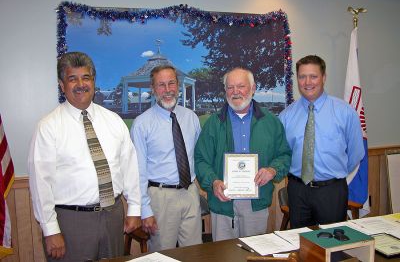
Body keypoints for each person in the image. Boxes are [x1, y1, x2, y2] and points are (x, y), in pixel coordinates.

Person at [28, 52, 141, 261]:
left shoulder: (114, 121)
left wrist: (134, 207)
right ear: (62, 85)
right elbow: (40, 183)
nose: (80, 84)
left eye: (86, 77)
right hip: (71, 221)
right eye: (72, 79)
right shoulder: (48, 127)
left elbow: (129, 167)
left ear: (94, 82)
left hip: (113, 215)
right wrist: (51, 230)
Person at [195, 67, 291, 241]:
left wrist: (272, 170)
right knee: (224, 256)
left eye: (241, 86)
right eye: (230, 87)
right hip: (222, 202)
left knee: (253, 253)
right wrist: (213, 182)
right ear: (225, 91)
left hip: (256, 202)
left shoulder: (271, 122)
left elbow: (284, 155)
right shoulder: (214, 123)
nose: (235, 92)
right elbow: (201, 159)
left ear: (253, 89)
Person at [279, 55, 365, 228]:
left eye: (313, 76)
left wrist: (331, 176)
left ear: (324, 77)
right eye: (302, 77)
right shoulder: (286, 116)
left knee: (331, 246)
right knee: (300, 244)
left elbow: (356, 154)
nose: (307, 82)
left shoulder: (345, 112)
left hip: (331, 191)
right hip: (298, 191)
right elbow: (283, 153)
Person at [130, 65, 202, 251]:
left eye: (171, 83)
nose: (167, 90)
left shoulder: (191, 118)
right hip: (160, 198)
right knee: (163, 254)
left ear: (178, 85)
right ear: (153, 89)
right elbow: (138, 171)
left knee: (194, 253)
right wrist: (145, 210)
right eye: (161, 85)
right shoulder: (142, 124)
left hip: (190, 192)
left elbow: (199, 156)